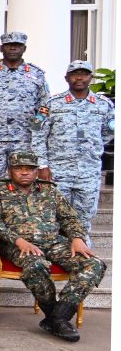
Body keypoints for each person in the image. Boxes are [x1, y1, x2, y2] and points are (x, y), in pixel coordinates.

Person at [0, 151, 105, 342]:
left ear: (37, 171)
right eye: (19, 168)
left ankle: (58, 317)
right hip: (18, 245)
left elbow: (69, 218)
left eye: (29, 169)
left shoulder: (50, 191)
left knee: (94, 264)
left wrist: (77, 237)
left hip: (54, 242)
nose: (24, 173)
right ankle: (58, 319)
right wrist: (17, 240)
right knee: (36, 265)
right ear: (9, 170)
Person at [33, 61, 114, 246]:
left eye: (84, 74)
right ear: (66, 78)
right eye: (74, 74)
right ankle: (58, 251)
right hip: (57, 170)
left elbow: (110, 130)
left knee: (85, 214)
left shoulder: (104, 104)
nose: (79, 78)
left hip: (88, 171)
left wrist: (93, 145)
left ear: (90, 78)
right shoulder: (52, 103)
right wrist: (42, 165)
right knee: (53, 214)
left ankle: (83, 252)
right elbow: (37, 132)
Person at [0, 32, 48, 186]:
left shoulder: (36, 74)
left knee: (22, 183)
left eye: (17, 45)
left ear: (24, 48)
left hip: (24, 140)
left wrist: (35, 129)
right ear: (2, 48)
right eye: (9, 45)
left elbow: (44, 108)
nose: (13, 48)